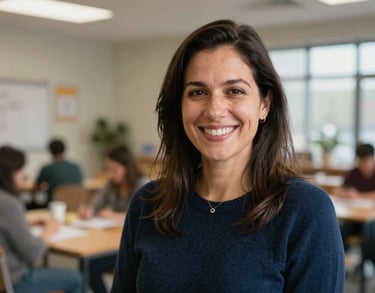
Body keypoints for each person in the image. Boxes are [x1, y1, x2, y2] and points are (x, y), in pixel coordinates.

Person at [111, 19, 344, 293]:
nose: (214, 109)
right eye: (198, 92)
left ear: (264, 105)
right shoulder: (147, 204)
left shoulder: (305, 211)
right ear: (180, 106)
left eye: (235, 91)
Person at [0, 145, 82, 293]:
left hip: (5, 276)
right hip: (13, 280)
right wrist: (48, 231)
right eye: (20, 170)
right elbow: (33, 253)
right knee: (77, 278)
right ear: (8, 174)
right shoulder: (9, 204)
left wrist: (24, 221)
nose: (23, 175)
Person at [79, 144, 149, 293]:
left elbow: (144, 216)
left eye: (114, 170)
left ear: (127, 167)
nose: (110, 174)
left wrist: (114, 215)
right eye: (108, 169)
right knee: (87, 263)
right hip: (111, 239)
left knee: (91, 266)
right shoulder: (112, 184)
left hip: (131, 245)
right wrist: (89, 211)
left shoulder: (142, 184)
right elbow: (96, 202)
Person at [335, 143, 375, 248]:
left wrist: (358, 195)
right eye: (361, 161)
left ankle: (364, 261)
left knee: (368, 232)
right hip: (355, 217)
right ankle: (343, 260)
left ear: (372, 158)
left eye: (366, 161)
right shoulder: (354, 173)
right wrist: (347, 194)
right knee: (339, 231)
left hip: (371, 218)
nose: (364, 165)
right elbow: (339, 191)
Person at [35, 138, 83, 207]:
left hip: (55, 206)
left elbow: (36, 187)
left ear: (50, 152)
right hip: (75, 205)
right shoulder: (76, 167)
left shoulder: (47, 168)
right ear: (64, 150)